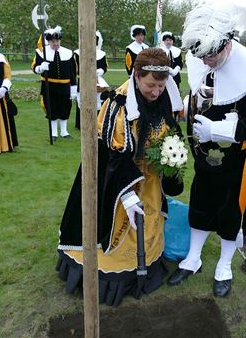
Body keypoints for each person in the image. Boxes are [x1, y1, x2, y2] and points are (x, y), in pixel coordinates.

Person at [56, 48, 184, 307]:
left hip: (150, 182)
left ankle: (148, 265)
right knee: (119, 228)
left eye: (161, 85)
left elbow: (171, 131)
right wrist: (125, 196)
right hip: (116, 181)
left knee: (149, 224)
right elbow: (110, 156)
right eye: (150, 85)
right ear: (137, 76)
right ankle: (113, 275)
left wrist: (172, 158)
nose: (156, 92)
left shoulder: (164, 98)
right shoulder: (117, 105)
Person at [166, 5, 246, 298]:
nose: (205, 61)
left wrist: (219, 131)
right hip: (205, 158)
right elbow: (201, 93)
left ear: (227, 43)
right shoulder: (205, 61)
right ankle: (193, 257)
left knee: (231, 211)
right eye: (200, 56)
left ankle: (224, 264)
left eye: (210, 55)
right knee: (201, 204)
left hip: (238, 159)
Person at [32, 26, 77, 141]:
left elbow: (73, 71)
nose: (55, 43)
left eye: (57, 41)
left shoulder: (68, 53)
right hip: (49, 86)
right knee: (51, 108)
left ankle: (64, 131)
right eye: (53, 41)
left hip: (65, 86)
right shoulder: (42, 53)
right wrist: (41, 68)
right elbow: (34, 68)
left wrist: (73, 88)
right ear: (48, 41)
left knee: (65, 108)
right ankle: (54, 133)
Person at [74, 30, 109, 129]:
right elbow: (75, 69)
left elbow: (105, 66)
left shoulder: (101, 54)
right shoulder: (77, 53)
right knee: (83, 101)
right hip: (83, 81)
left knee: (97, 101)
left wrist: (100, 71)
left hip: (97, 81)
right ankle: (82, 124)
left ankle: (96, 122)